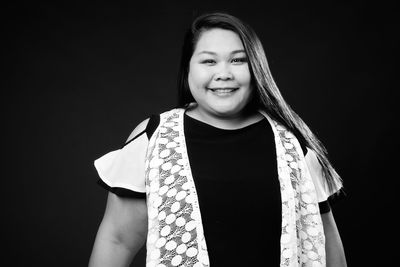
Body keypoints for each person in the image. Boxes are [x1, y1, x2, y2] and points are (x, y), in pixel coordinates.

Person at [89, 12, 347, 267]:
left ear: (257, 68)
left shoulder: (293, 144)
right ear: (187, 68)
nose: (224, 73)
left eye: (238, 60)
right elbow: (117, 240)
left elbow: (326, 242)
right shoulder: (154, 138)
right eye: (209, 62)